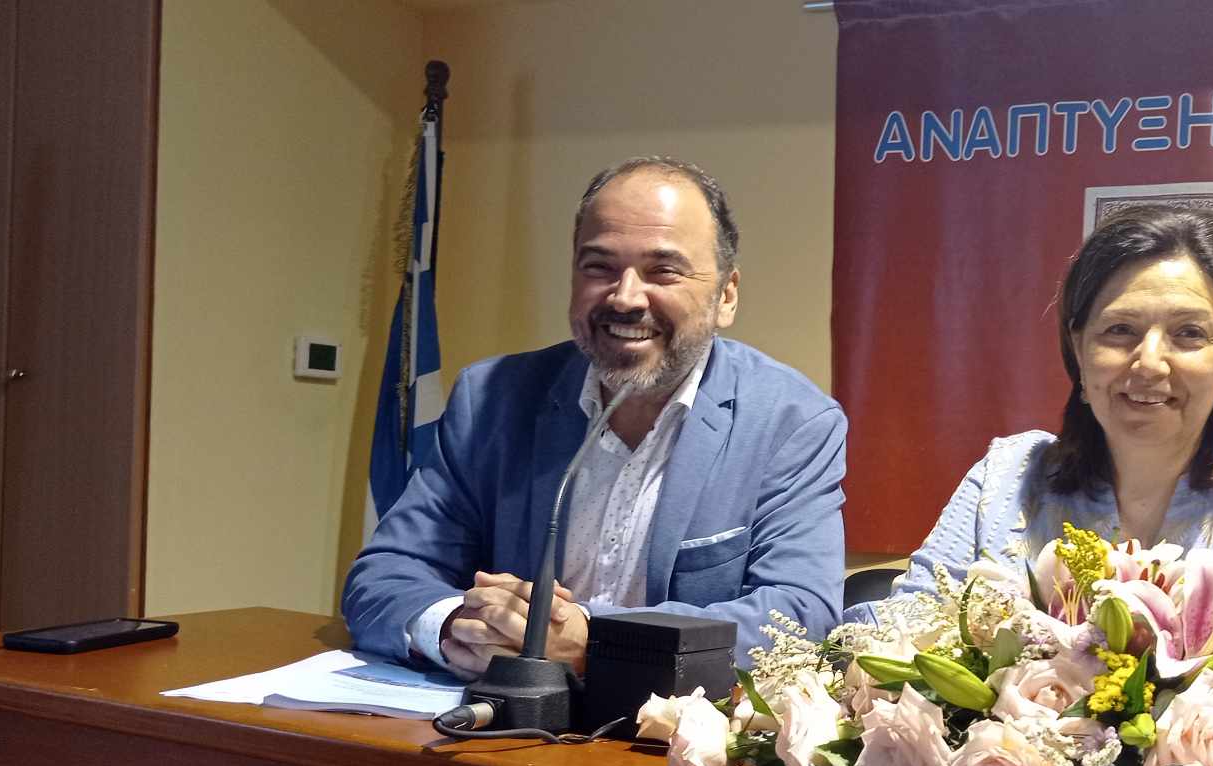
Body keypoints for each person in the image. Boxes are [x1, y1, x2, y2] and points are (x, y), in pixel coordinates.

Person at [344, 157, 848, 677]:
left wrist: (591, 640)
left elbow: (798, 616)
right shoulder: (491, 398)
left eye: (663, 271)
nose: (625, 298)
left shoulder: (792, 421)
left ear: (726, 295)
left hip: (667, 720)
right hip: (494, 709)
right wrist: (458, 627)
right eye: (599, 267)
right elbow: (386, 573)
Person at [852, 204, 1213, 670]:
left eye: (1189, 334)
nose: (1149, 362)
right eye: (1120, 330)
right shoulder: (1007, 478)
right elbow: (892, 640)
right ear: (1078, 347)